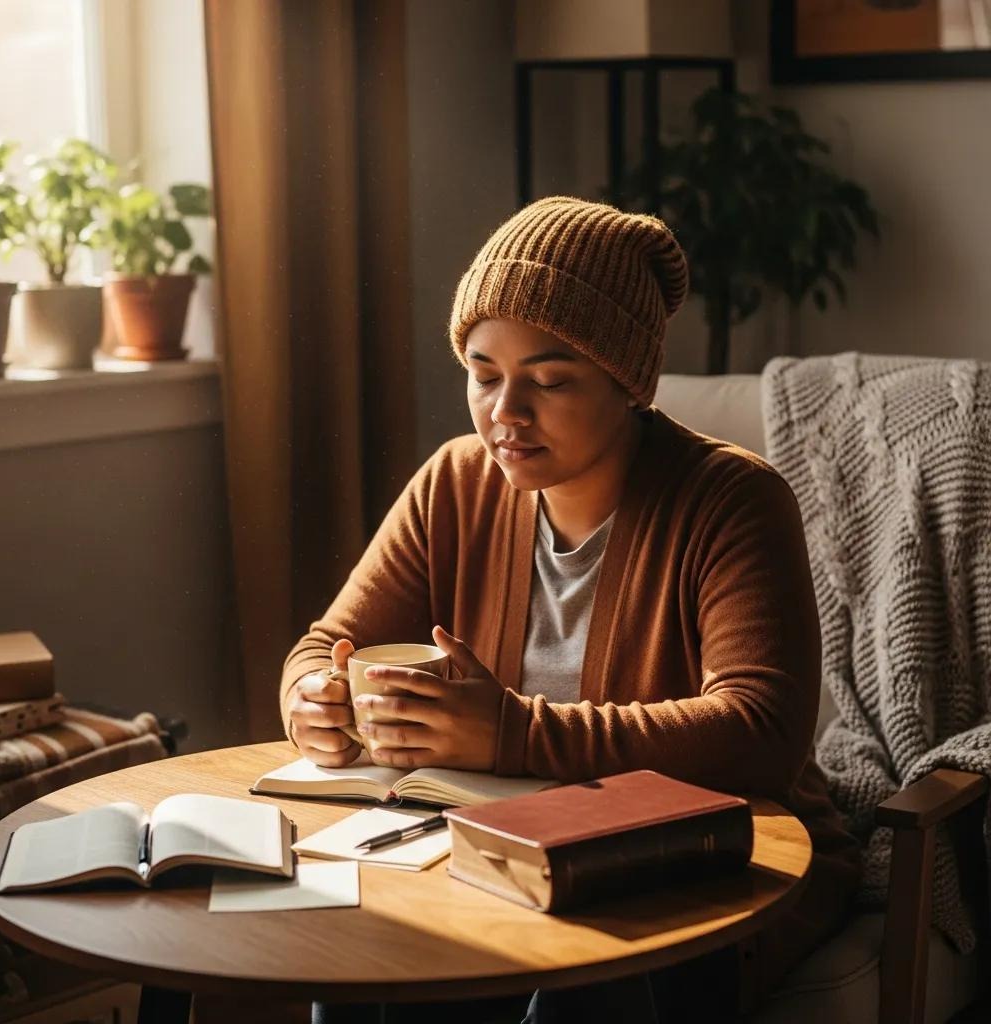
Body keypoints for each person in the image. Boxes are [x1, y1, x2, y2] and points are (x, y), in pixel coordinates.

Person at [280, 196, 860, 1023]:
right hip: (497, 847)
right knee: (360, 950)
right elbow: (329, 643)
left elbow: (761, 734)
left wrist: (512, 734)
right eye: (484, 376)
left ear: (627, 383)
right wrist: (312, 700)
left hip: (716, 856)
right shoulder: (455, 482)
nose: (504, 415)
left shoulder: (734, 500)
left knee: (587, 986)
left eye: (549, 380)